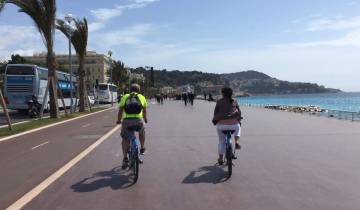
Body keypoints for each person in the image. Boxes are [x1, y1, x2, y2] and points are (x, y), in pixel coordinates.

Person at [117, 83, 148, 169]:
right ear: (138, 90)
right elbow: (144, 111)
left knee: (125, 139)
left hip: (127, 121)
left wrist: (119, 120)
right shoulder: (141, 97)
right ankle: (142, 148)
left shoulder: (125, 97)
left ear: (130, 90)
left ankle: (125, 158)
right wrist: (145, 119)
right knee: (142, 132)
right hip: (138, 120)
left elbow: (120, 110)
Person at [212, 87, 242, 165]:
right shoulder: (234, 101)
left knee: (221, 142)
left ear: (222, 93)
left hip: (221, 126)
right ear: (231, 93)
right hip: (234, 125)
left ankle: (221, 158)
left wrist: (216, 120)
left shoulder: (219, 101)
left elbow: (215, 113)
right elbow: (239, 112)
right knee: (238, 127)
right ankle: (237, 142)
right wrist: (239, 120)